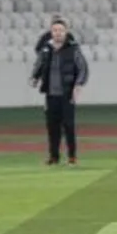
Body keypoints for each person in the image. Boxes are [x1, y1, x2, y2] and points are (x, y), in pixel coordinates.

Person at [30, 18, 89, 165]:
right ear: (51, 32)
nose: (58, 33)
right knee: (52, 126)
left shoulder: (73, 49)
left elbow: (83, 68)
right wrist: (35, 77)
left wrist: (78, 85)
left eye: (61, 30)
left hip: (67, 93)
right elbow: (39, 65)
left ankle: (72, 156)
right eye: (55, 30)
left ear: (66, 32)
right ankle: (54, 156)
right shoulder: (46, 49)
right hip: (51, 94)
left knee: (69, 125)